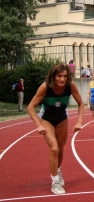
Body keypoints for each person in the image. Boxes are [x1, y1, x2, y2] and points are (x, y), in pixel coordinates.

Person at [27, 62, 84, 195]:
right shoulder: (45, 87)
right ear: (53, 76)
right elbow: (30, 107)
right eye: (59, 76)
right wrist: (38, 124)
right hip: (46, 117)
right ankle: (55, 182)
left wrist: (79, 121)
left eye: (65, 76)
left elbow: (81, 103)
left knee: (61, 148)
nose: (62, 79)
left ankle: (57, 171)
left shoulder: (71, 86)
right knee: (54, 148)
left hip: (62, 117)